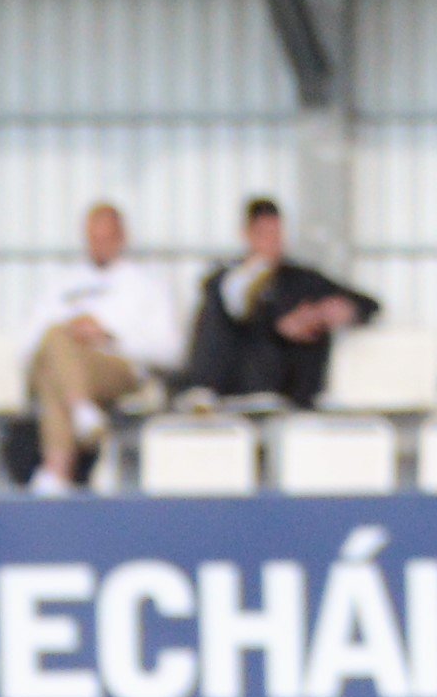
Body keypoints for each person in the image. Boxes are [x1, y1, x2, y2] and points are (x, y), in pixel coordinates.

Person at [22, 202, 189, 489]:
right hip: (63, 365)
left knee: (55, 361)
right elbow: (29, 340)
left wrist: (109, 335)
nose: (99, 245)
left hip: (117, 367)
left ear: (122, 238)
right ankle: (80, 413)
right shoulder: (61, 285)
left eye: (106, 238)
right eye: (94, 238)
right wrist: (73, 332)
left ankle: (56, 470)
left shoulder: (146, 285)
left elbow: (171, 350)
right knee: (56, 345)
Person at [182, 198, 378, 407]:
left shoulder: (303, 280)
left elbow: (368, 304)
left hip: (294, 387)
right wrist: (280, 325)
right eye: (264, 234)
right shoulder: (224, 282)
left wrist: (330, 312)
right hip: (239, 383)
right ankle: (203, 392)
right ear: (248, 235)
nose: (272, 241)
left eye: (276, 234)